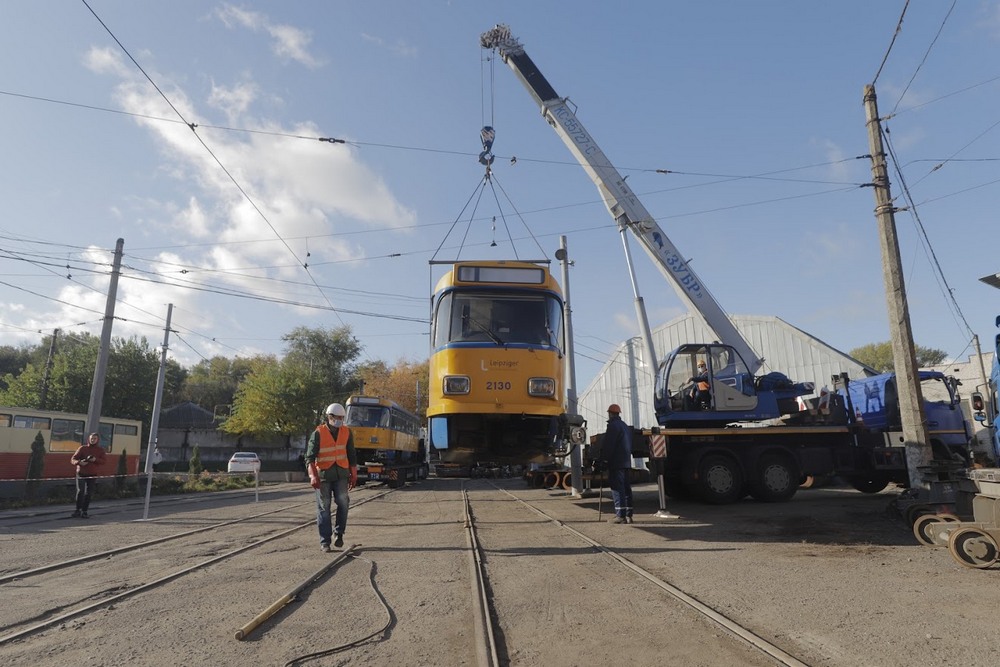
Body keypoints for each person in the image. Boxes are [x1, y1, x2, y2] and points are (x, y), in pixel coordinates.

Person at [305, 403, 358, 552]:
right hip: (323, 476)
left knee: (343, 503)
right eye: (338, 418)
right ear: (329, 417)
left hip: (341, 474)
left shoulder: (347, 432)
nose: (340, 420)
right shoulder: (318, 433)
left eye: (342, 417)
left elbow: (351, 454)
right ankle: (325, 542)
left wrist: (354, 473)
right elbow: (309, 457)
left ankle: (339, 534)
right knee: (324, 508)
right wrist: (312, 476)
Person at [599, 404, 634, 524]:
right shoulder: (625, 426)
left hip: (616, 463)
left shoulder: (613, 426)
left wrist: (604, 460)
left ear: (610, 413)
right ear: (618, 413)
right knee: (626, 488)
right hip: (626, 462)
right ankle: (629, 515)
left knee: (617, 488)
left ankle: (620, 516)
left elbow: (609, 445)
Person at [70, 432, 106, 518]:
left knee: (88, 493)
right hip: (81, 473)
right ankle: (77, 510)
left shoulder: (100, 450)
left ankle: (84, 511)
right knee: (80, 491)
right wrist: (79, 462)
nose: (92, 440)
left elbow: (104, 461)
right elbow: (73, 459)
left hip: (92, 474)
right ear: (88, 439)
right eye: (91, 438)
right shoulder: (82, 448)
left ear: (97, 440)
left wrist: (95, 460)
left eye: (94, 439)